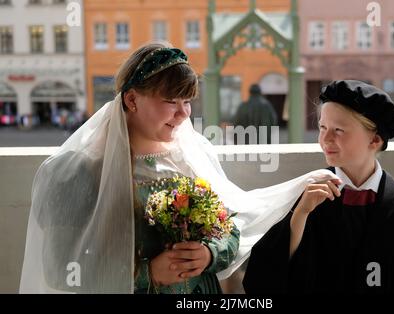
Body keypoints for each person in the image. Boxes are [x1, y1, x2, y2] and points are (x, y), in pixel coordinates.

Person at [19, 42, 339, 294]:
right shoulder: (78, 172)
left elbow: (230, 231)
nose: (184, 113)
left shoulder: (191, 156)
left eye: (187, 101)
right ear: (132, 100)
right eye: (172, 101)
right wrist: (146, 274)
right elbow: (61, 269)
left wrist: (210, 254)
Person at [243, 80, 394, 294]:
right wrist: (300, 214)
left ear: (374, 139)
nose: (326, 138)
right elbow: (262, 281)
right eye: (322, 127)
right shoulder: (308, 200)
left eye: (338, 130)